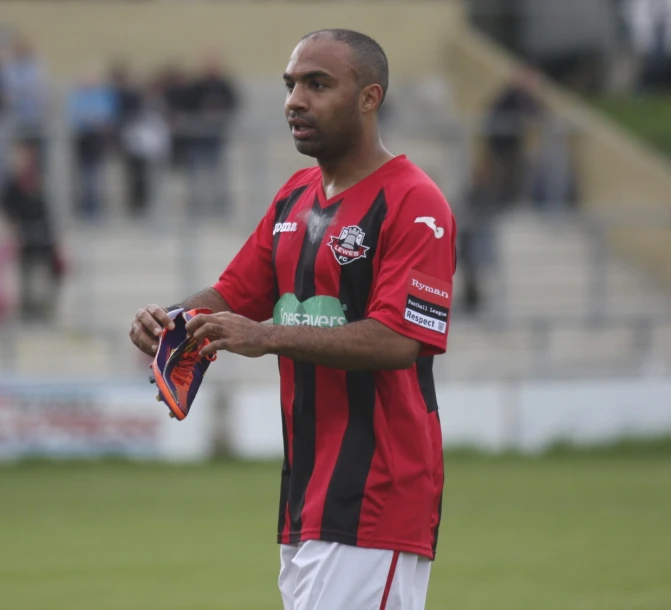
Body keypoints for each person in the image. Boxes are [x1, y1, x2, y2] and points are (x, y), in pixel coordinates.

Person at [129, 29, 456, 610]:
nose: (294, 101)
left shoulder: (415, 202)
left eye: (317, 84)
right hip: (306, 497)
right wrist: (171, 321)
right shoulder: (294, 197)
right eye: (290, 85)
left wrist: (265, 338)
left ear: (369, 97)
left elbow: (400, 338)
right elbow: (230, 295)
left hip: (377, 496)